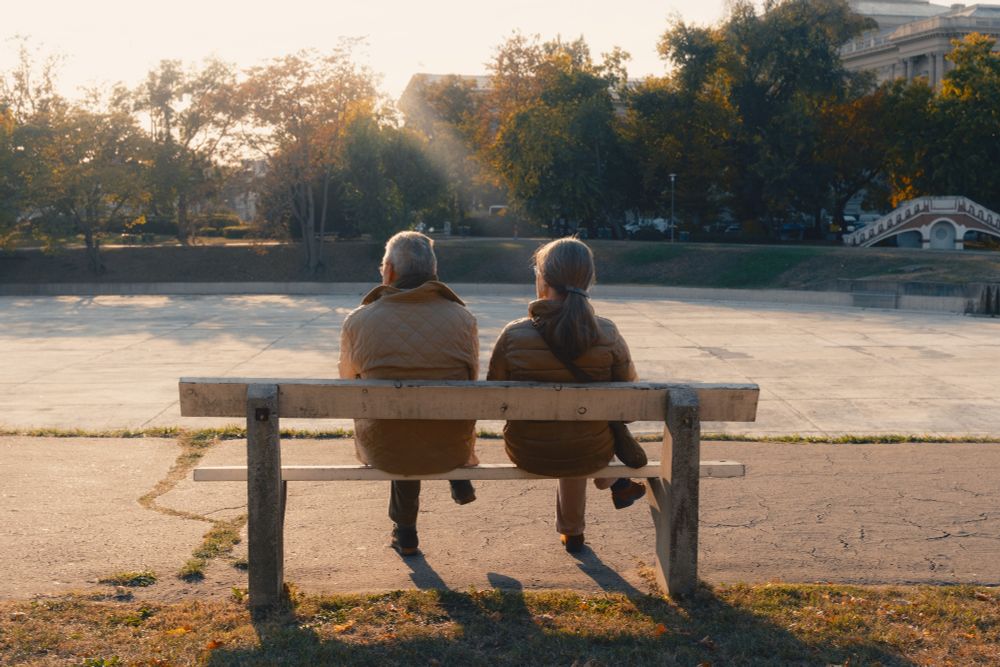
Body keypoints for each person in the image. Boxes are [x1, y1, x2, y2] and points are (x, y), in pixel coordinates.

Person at [487, 237, 647, 553]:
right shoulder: (609, 333)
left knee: (568, 432)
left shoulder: (514, 334)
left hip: (528, 450)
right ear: (589, 280)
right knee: (580, 434)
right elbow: (628, 408)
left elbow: (495, 399)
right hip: (591, 451)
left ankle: (575, 528)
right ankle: (577, 526)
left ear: (543, 280)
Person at [339, 231, 479, 556]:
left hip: (385, 444)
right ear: (433, 271)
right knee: (426, 419)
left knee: (396, 423)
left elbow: (347, 380)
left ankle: (405, 532)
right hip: (449, 442)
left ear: (388, 270)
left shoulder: (359, 321)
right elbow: (470, 379)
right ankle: (456, 478)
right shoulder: (463, 318)